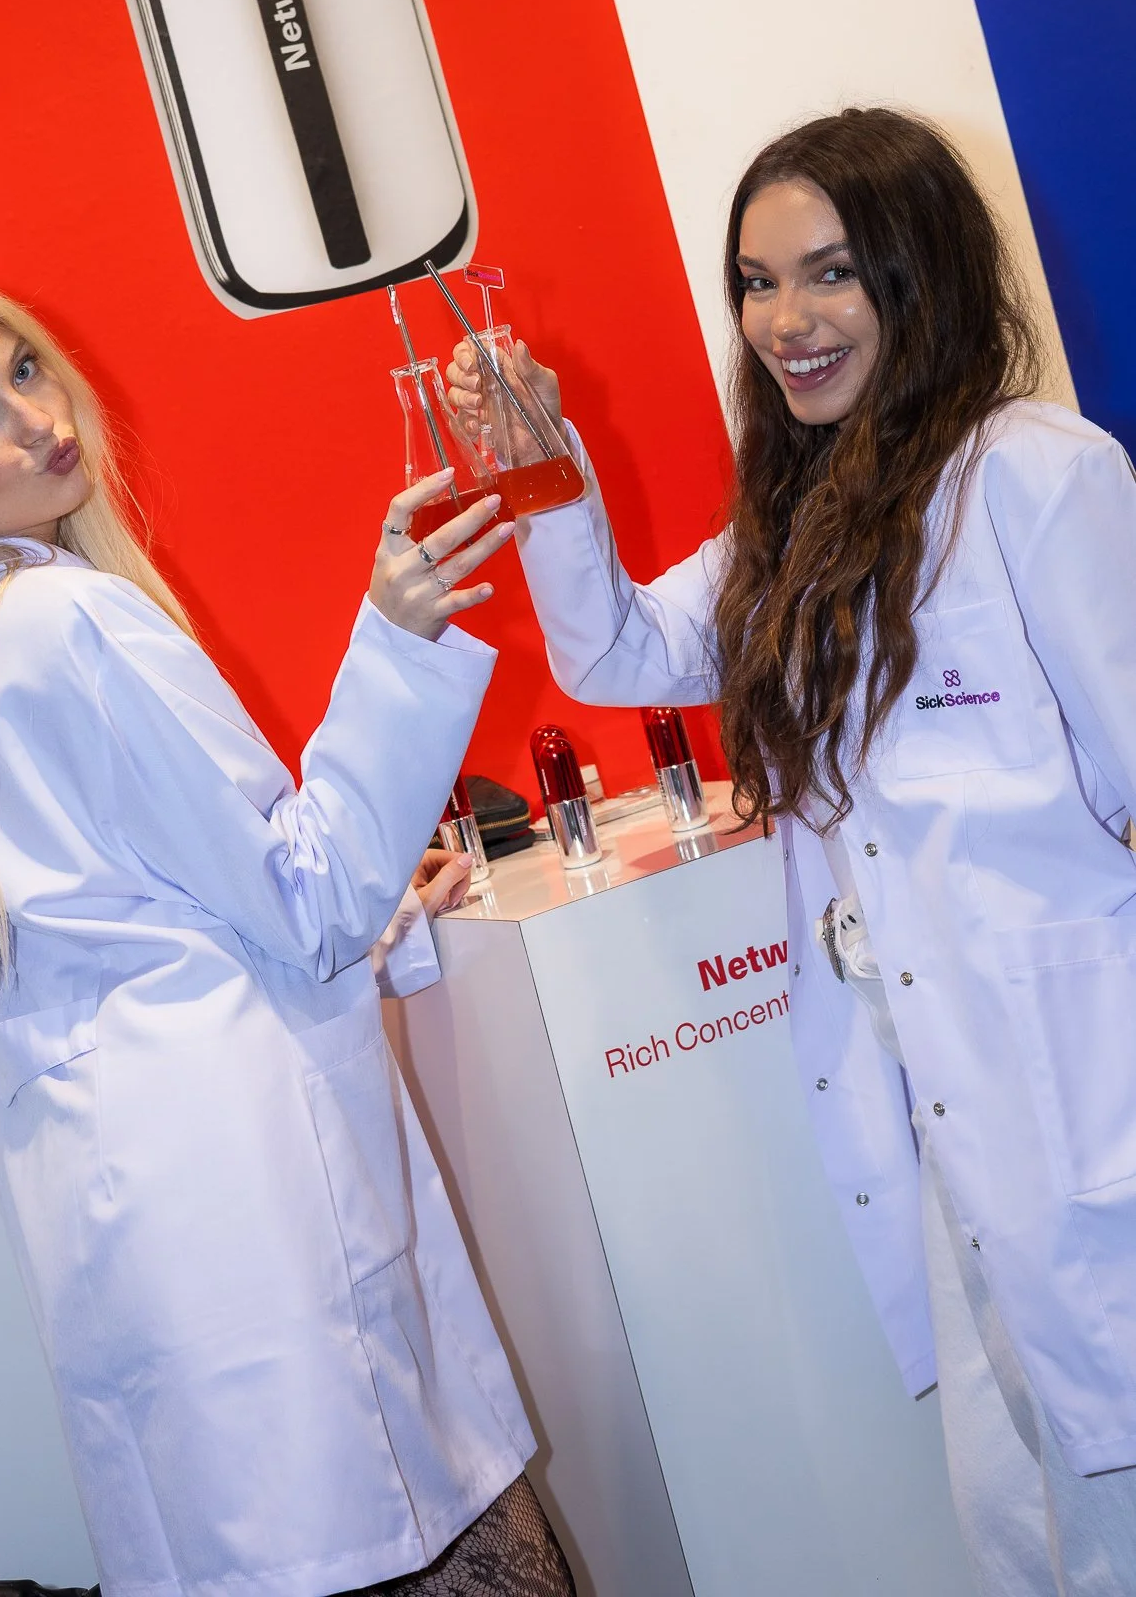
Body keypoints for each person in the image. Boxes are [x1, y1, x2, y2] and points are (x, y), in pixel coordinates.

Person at [0, 279, 576, 1597]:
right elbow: (300, 904)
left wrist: (380, 908)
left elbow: (147, 926)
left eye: (27, 374)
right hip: (262, 1226)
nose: (40, 425)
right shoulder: (64, 621)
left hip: (156, 1253)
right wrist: (394, 637)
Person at [449, 108, 1136, 1595]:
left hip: (1087, 1099)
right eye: (755, 283)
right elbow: (621, 651)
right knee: (1025, 1526)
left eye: (829, 273)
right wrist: (549, 478)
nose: (785, 321)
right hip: (940, 1114)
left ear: (922, 271)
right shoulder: (798, 522)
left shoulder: (1037, 475)